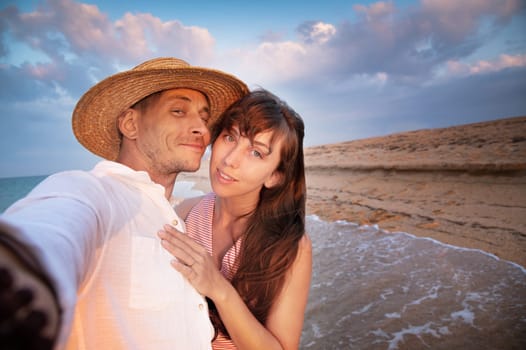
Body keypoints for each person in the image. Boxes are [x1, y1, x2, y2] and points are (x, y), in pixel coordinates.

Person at [0, 57, 248, 349]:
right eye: (178, 111)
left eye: (204, 118)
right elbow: (52, 228)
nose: (202, 130)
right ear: (131, 124)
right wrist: (24, 277)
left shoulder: (173, 219)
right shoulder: (94, 191)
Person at [158, 89, 312, 349]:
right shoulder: (184, 214)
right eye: (230, 137)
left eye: (256, 153)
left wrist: (219, 289)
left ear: (275, 176)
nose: (230, 160)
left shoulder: (290, 247)